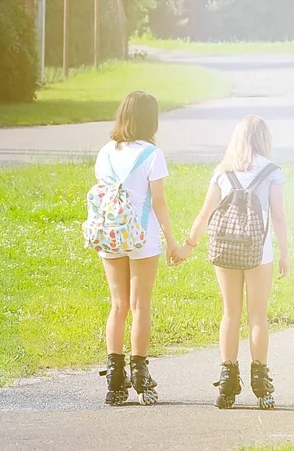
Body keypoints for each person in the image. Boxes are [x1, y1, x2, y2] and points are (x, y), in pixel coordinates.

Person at [174, 115, 290, 410]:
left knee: (230, 313)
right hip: (257, 252)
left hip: (224, 249)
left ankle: (227, 381)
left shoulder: (222, 172)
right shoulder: (272, 172)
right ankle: (261, 384)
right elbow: (278, 216)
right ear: (264, 139)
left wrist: (189, 245)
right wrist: (284, 254)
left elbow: (205, 212)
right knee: (257, 317)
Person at [94, 90, 178, 406]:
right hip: (142, 237)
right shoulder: (152, 154)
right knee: (140, 305)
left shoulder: (105, 152)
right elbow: (158, 201)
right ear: (150, 119)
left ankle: (115, 379)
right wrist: (172, 241)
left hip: (111, 235)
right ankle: (140, 374)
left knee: (118, 305)